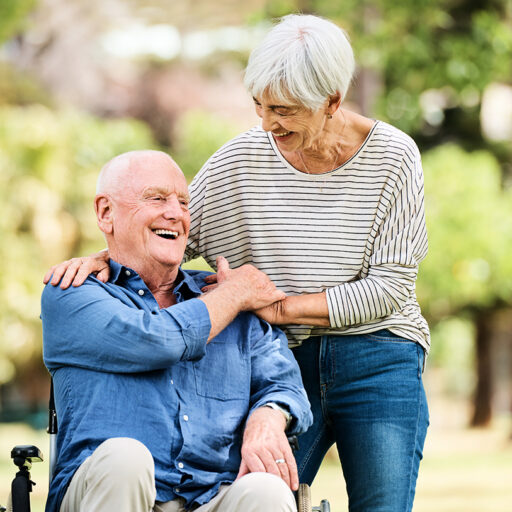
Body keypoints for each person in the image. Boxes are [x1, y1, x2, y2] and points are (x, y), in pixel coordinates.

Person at [45, 13, 430, 512]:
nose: (268, 122)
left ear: (332, 101)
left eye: (284, 110)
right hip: (285, 352)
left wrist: (276, 306)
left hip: (377, 352)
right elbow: (172, 231)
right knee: (265, 486)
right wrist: (105, 252)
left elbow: (391, 287)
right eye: (260, 105)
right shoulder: (240, 160)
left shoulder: (394, 157)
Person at [41, 150, 313, 512]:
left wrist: (268, 417)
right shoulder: (73, 293)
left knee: (266, 491)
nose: (176, 213)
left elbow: (285, 385)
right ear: (106, 213)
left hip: (209, 497)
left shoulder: (226, 296)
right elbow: (156, 340)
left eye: (183, 202)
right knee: (126, 457)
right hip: (106, 493)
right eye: (156, 198)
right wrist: (235, 294)